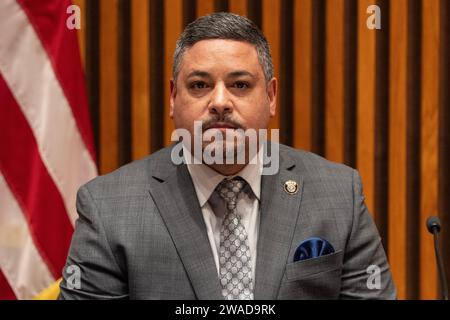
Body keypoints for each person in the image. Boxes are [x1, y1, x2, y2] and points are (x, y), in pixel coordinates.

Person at [59, 12, 396, 300]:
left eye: (240, 85)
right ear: (173, 98)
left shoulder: (338, 195)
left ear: (272, 97)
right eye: (200, 85)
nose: (219, 102)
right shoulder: (109, 207)